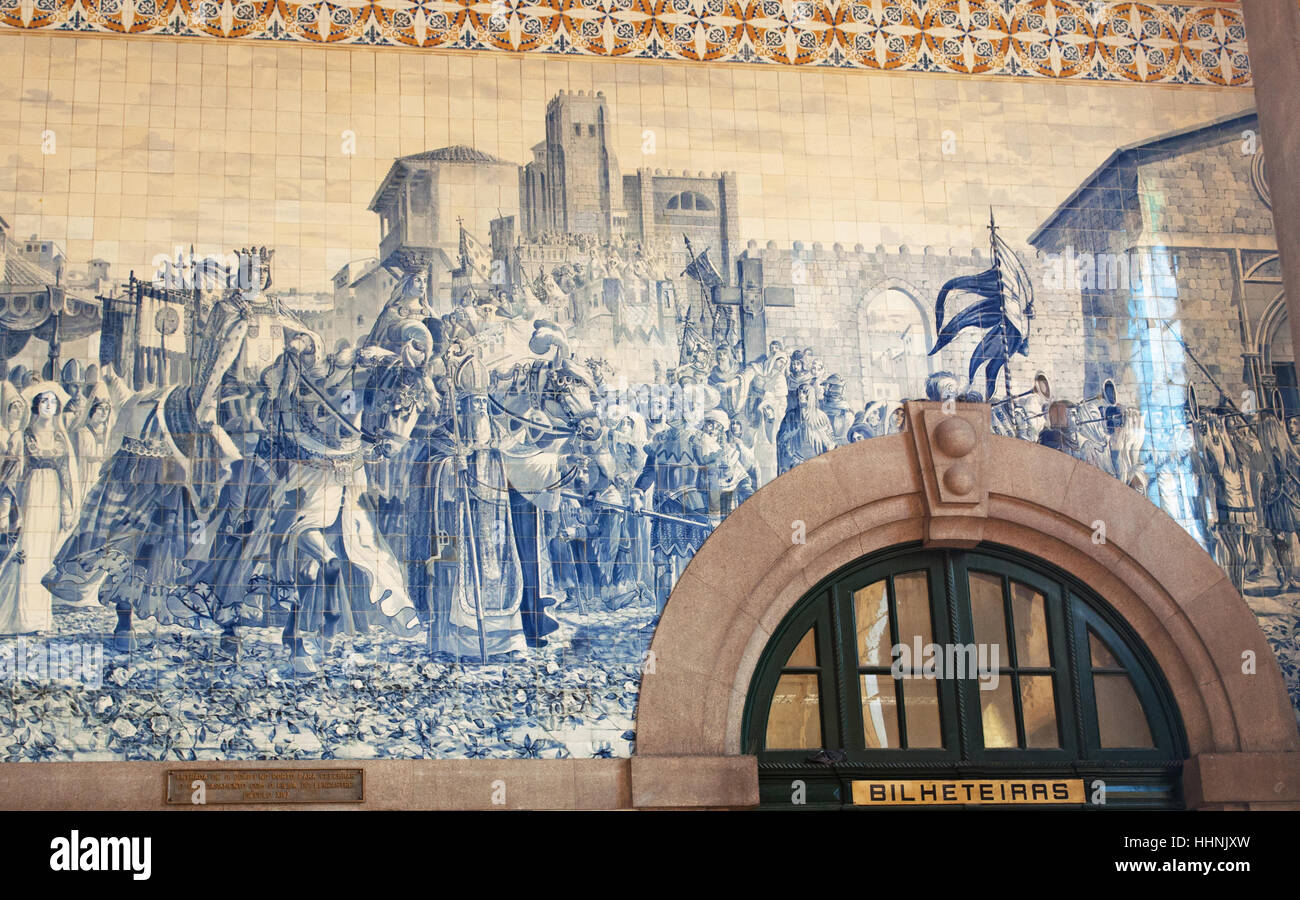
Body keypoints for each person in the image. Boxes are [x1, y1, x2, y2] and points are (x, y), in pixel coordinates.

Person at [0, 383, 78, 634]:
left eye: (53, 402)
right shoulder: (22, 436)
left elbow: (66, 474)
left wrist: (67, 506)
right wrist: (8, 510)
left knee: (45, 557)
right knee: (27, 553)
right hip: (30, 498)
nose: (48, 405)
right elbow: (10, 478)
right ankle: (20, 617)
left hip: (52, 499)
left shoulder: (60, 438)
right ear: (35, 405)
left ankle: (39, 619)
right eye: (43, 401)